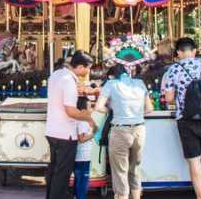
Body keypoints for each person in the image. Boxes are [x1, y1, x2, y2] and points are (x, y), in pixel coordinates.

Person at [161, 37, 201, 199]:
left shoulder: (173, 69)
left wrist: (181, 99)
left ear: (179, 52)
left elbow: (168, 98)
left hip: (185, 119)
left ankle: (200, 196)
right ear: (195, 50)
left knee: (194, 161)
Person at [94, 63, 152, 199]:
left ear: (112, 75)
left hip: (120, 131)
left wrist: (112, 109)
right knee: (135, 169)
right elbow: (149, 109)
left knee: (120, 171)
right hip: (139, 130)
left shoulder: (111, 84)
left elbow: (98, 107)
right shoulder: (140, 83)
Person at [45, 50, 97, 199]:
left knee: (54, 171)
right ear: (80, 66)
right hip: (65, 134)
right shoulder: (69, 80)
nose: (88, 71)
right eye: (88, 68)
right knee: (62, 175)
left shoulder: (56, 74)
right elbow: (71, 110)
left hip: (52, 130)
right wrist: (88, 119)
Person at [73, 97, 94, 199]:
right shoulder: (82, 121)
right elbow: (81, 138)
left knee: (79, 180)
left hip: (81, 157)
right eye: (90, 107)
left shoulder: (81, 121)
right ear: (83, 111)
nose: (92, 110)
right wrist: (93, 134)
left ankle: (78, 196)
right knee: (83, 181)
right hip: (83, 157)